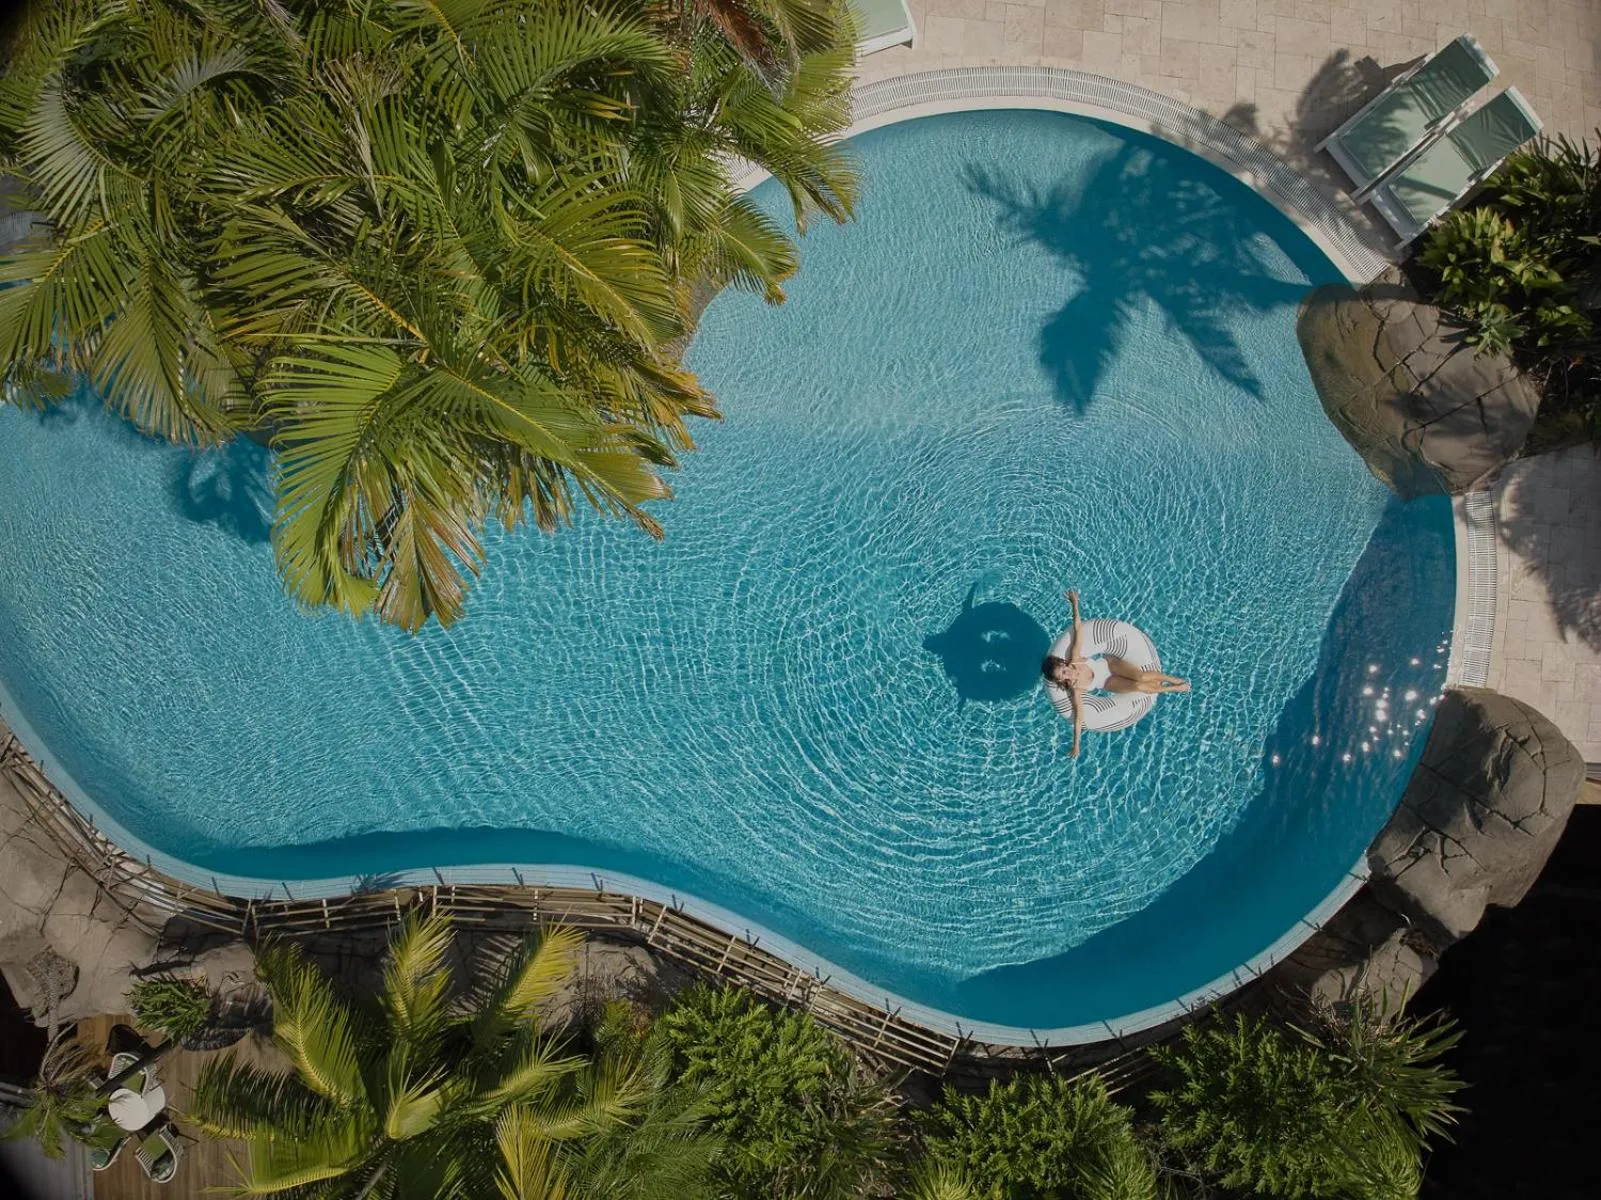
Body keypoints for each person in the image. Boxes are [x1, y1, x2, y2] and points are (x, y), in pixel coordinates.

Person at [1042, 590, 1189, 757]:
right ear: (1061, 680)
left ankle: (1172, 679)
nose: (1067, 675)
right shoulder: (1076, 689)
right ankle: (1173, 689)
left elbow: (1078, 629)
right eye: (1063, 677)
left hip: (1111, 665)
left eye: (1063, 670)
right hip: (1108, 683)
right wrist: (1076, 745)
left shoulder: (1075, 658)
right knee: (1138, 686)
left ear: (1063, 663)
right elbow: (1079, 718)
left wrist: (1074, 603)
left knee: (1141, 676)